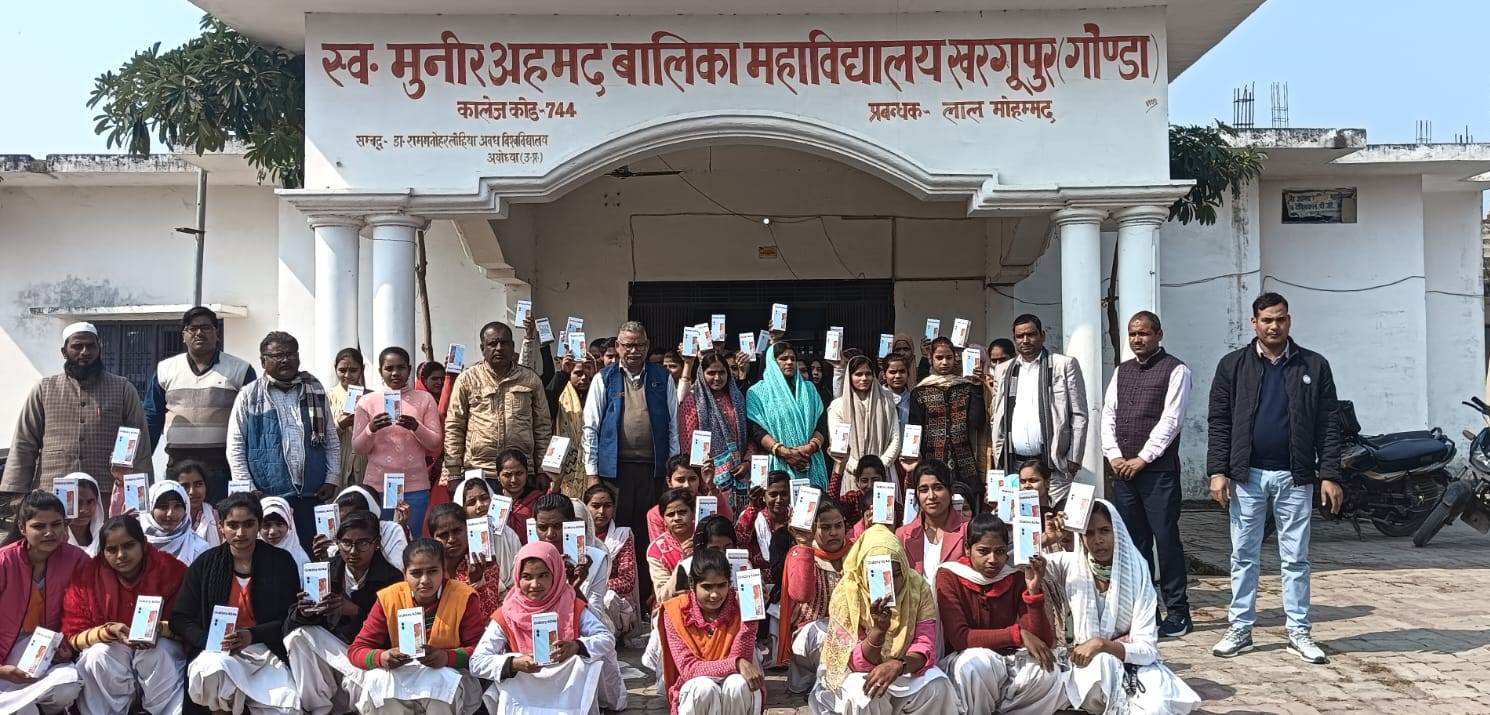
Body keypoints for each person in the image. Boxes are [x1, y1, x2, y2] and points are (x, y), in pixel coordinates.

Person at [1208, 292, 1343, 665]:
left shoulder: (1314, 365)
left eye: (1280, 319)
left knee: (1296, 558)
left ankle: (1298, 632)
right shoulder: (1233, 366)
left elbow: (1329, 423)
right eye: (1267, 320)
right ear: (1254, 323)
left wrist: (1329, 474)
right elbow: (1219, 421)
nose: (1274, 326)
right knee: (1243, 555)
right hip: (1247, 476)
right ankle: (1240, 628)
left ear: (1289, 321)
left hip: (1295, 477)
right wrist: (1218, 471)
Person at [1046, 500, 1200, 713]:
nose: (1098, 540)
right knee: (1101, 668)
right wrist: (1047, 539)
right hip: (1086, 665)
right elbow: (1011, 565)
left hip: (1132, 663)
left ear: (1117, 531)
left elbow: (1147, 650)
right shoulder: (1071, 564)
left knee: (1156, 706)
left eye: (1104, 531)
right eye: (1089, 533)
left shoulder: (1137, 571)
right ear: (1081, 537)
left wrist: (1101, 644)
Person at [1101, 311, 1195, 639]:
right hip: (1124, 472)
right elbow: (1108, 414)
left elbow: (1171, 421)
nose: (1137, 339)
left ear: (1158, 334)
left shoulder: (1176, 370)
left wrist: (1142, 458)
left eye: (1143, 333)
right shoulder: (1122, 371)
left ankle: (1178, 612)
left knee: (1165, 540)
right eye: (1132, 334)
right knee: (1133, 543)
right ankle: (1145, 610)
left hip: (1158, 473)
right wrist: (1114, 455)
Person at [2, 322, 152, 510]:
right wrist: (17, 492)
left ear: (99, 349)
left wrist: (138, 499)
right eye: (77, 346)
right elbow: (25, 442)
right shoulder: (44, 389)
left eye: (91, 346)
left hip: (105, 492)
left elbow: (139, 445)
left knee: (104, 530)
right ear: (64, 352)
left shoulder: (123, 388)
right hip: (53, 490)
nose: (84, 352)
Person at [174, 493, 301, 712]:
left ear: (258, 525)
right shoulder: (205, 564)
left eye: (248, 524)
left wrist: (252, 635)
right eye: (233, 525)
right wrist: (210, 640)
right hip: (217, 650)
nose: (241, 533)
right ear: (221, 527)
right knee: (212, 671)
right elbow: (180, 618)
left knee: (286, 703)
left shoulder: (281, 561)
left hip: (265, 649)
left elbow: (290, 618)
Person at [582, 321, 680, 604]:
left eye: (639, 345)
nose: (633, 351)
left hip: (652, 471)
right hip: (614, 472)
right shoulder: (604, 378)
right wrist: (592, 474)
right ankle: (615, 599)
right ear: (617, 347)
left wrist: (672, 469)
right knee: (616, 535)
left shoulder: (662, 377)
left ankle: (649, 598)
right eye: (627, 345)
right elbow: (590, 428)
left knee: (649, 533)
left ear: (647, 346)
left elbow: (673, 426)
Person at [818, 524, 956, 715]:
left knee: (937, 686)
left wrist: (898, 665)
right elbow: (854, 662)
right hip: (856, 672)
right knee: (865, 694)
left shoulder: (916, 587)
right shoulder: (847, 593)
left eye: (895, 575)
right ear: (863, 571)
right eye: (878, 576)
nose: (889, 585)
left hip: (904, 668)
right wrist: (878, 630)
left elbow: (925, 643)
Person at [934, 512, 1064, 715]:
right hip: (964, 663)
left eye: (1000, 551)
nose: (993, 560)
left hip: (1006, 660)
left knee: (1048, 671)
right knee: (977, 664)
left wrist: (1033, 591)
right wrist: (1017, 635)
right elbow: (960, 638)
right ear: (967, 549)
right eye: (983, 551)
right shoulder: (950, 575)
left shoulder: (1014, 575)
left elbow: (1042, 642)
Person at [470, 541, 616, 714]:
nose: (535, 584)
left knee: (583, 662)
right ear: (517, 577)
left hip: (568, 693)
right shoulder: (507, 613)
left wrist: (576, 646)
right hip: (524, 696)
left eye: (543, 575)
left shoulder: (571, 605)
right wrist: (514, 663)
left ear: (556, 574)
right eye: (527, 577)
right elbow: (477, 662)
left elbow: (606, 638)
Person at [62, 515, 189, 715]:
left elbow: (190, 624)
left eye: (129, 546)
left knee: (159, 651)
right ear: (103, 552)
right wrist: (107, 632)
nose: (121, 555)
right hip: (113, 652)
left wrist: (160, 629)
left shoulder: (170, 571)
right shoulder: (87, 577)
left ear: (143, 544)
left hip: (159, 649)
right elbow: (73, 637)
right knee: (97, 655)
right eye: (112, 550)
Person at [343, 539, 485, 715]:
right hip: (403, 674)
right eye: (416, 573)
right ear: (404, 574)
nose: (425, 580)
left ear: (444, 570)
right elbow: (356, 650)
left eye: (432, 571)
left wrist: (447, 657)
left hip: (448, 675)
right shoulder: (389, 598)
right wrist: (382, 657)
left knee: (439, 679)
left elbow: (480, 652)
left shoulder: (464, 597)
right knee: (379, 681)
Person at [227, 331, 341, 549]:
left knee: (315, 552)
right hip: (268, 497)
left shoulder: (314, 389)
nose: (285, 360)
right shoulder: (249, 395)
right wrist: (249, 489)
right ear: (263, 361)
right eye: (278, 356)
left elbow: (331, 439)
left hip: (312, 494)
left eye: (291, 354)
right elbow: (236, 446)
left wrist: (332, 477)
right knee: (273, 557)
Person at [285, 510, 403, 715]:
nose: (353, 551)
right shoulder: (326, 570)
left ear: (376, 543)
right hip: (333, 651)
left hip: (368, 654)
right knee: (298, 636)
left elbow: (394, 633)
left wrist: (355, 611)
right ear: (337, 542)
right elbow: (288, 624)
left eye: (362, 543)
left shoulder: (391, 578)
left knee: (362, 686)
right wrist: (305, 611)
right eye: (346, 543)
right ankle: (317, 709)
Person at [144, 306, 258, 504]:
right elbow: (152, 419)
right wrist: (141, 462)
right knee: (178, 517)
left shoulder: (240, 370)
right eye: (192, 328)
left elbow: (253, 424)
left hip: (222, 469)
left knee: (220, 519)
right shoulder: (166, 369)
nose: (199, 333)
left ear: (217, 333)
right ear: (184, 335)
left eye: (206, 328)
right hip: (178, 468)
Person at [531, 493, 626, 711]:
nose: (550, 534)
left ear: (571, 525)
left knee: (590, 657)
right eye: (542, 528)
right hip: (537, 632)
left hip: (582, 629)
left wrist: (575, 587)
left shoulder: (596, 558)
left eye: (558, 526)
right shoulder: (529, 558)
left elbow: (594, 613)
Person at [987, 314, 1089, 504]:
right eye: (1020, 336)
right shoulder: (1004, 369)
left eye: (1031, 334)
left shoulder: (1063, 365)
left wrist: (1073, 459)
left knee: (1055, 517)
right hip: (1015, 465)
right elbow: (997, 414)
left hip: (1053, 465)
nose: (1025, 340)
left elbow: (1079, 414)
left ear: (1042, 335)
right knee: (1020, 518)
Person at [0, 491, 86, 714]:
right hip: (6, 653)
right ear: (22, 528)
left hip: (49, 651)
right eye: (39, 526)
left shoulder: (76, 559)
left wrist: (68, 644)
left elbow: (85, 609)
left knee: (66, 688)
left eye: (56, 524)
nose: (49, 532)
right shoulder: (4, 562)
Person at [444, 321, 552, 490]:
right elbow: (454, 426)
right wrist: (453, 472)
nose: (499, 348)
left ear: (513, 346)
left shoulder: (530, 379)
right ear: (483, 348)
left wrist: (543, 469)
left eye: (504, 343)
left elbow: (542, 427)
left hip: (521, 472)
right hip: (480, 470)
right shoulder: (467, 379)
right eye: (493, 344)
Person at [658, 548, 764, 715]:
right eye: (707, 587)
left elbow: (742, 658)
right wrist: (736, 663)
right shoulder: (674, 612)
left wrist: (750, 619)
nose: (714, 595)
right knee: (703, 688)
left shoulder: (743, 603)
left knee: (738, 684)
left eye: (721, 585)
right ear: (692, 584)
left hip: (732, 682)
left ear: (729, 583)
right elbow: (689, 669)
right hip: (695, 687)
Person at [353, 347, 442, 538]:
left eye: (401, 367)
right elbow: (358, 448)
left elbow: (435, 443)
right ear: (380, 371)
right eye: (389, 368)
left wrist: (416, 426)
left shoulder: (424, 399)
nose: (395, 373)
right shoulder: (367, 402)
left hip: (414, 486)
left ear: (409, 369)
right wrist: (371, 429)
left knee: (411, 539)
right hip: (378, 486)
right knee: (381, 539)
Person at [779, 499, 851, 700]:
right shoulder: (800, 553)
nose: (834, 533)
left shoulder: (855, 551)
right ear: (813, 528)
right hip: (810, 631)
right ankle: (827, 691)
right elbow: (801, 595)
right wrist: (804, 545)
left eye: (838, 525)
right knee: (828, 638)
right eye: (825, 528)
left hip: (850, 628)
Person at [907, 338, 985, 498]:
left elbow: (977, 422)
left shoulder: (966, 387)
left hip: (964, 461)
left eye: (948, 357)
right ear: (930, 359)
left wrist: (977, 388)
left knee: (966, 503)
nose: (944, 362)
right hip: (932, 460)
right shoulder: (920, 391)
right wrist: (913, 461)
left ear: (955, 358)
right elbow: (914, 428)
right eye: (939, 357)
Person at [748, 342, 829, 493]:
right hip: (778, 462)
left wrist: (809, 448)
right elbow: (757, 429)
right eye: (783, 359)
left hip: (809, 460)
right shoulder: (757, 392)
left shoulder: (809, 389)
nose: (790, 362)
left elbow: (821, 424)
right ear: (772, 361)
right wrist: (784, 452)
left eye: (793, 358)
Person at [678, 350, 751, 514]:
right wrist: (702, 478)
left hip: (740, 476)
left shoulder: (738, 399)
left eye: (722, 372)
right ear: (701, 374)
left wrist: (747, 462)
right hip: (707, 478)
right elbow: (688, 445)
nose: (717, 378)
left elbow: (750, 436)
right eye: (711, 373)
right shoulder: (692, 401)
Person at [426, 502, 506, 621]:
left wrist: (477, 582)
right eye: (443, 535)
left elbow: (489, 616)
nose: (451, 539)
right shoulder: (427, 568)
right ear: (433, 538)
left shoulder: (486, 564)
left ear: (468, 530)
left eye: (457, 531)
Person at [829, 355, 902, 479]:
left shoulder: (887, 403)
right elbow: (838, 444)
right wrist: (859, 471)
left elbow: (896, 439)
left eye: (868, 374)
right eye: (858, 374)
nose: (864, 378)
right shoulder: (838, 406)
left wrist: (879, 467)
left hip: (883, 472)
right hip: (850, 472)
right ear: (849, 376)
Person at [451, 476, 523, 599]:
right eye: (471, 502)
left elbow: (521, 571)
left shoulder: (508, 534)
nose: (480, 505)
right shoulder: (459, 540)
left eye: (484, 498)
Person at [585, 483, 640, 645]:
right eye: (595, 506)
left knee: (607, 599)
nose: (602, 511)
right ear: (585, 507)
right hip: (581, 591)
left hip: (613, 598)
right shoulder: (576, 536)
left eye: (607, 506)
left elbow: (627, 580)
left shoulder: (621, 536)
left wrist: (595, 587)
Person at [896, 460, 968, 580]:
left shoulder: (967, 530)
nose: (931, 496)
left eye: (938, 488)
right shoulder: (903, 535)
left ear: (950, 491)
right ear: (917, 495)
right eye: (924, 490)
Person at [646, 457, 736, 541]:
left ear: (700, 480)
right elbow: (658, 546)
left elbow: (727, 520)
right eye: (680, 480)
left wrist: (711, 485)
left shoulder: (707, 504)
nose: (686, 485)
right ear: (669, 482)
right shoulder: (656, 513)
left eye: (692, 479)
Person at [324, 486, 409, 569]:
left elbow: (399, 571)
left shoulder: (391, 531)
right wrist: (323, 557)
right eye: (341, 521)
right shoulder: (335, 536)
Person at [549, 352, 596, 499]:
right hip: (565, 464)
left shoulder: (598, 394)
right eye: (578, 373)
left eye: (588, 372)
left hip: (592, 464)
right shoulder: (561, 394)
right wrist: (562, 373)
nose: (584, 378)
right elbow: (547, 400)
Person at [138, 480, 211, 566]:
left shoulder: (199, 548)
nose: (170, 514)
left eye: (177, 506)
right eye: (163, 507)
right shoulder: (135, 544)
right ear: (151, 509)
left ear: (186, 509)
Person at [734, 471, 791, 576]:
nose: (779, 500)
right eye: (773, 495)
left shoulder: (796, 519)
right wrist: (752, 508)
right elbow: (739, 541)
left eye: (784, 494)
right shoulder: (754, 517)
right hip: (759, 581)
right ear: (764, 496)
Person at [647, 488, 698, 604]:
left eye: (682, 512)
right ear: (663, 519)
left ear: (693, 513)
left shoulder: (707, 536)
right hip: (675, 605)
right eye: (670, 514)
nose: (677, 518)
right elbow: (662, 596)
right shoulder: (656, 550)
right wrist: (684, 563)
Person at [328, 348, 369, 488]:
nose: (347, 375)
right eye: (342, 370)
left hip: (365, 466)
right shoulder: (326, 397)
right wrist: (340, 425)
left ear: (362, 369)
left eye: (353, 370)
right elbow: (319, 437)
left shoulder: (372, 398)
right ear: (335, 369)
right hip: (336, 468)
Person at [827, 455, 889, 532]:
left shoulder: (890, 504)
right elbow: (830, 506)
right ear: (857, 482)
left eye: (875, 480)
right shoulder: (853, 499)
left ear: (884, 480)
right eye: (864, 481)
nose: (870, 486)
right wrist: (839, 468)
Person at [172, 461, 220, 547]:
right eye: (185, 486)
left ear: (206, 486)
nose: (192, 492)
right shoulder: (169, 519)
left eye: (198, 484)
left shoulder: (217, 517)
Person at [260, 496, 312, 570]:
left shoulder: (301, 560)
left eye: (279, 524)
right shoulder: (251, 559)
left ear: (289, 525)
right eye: (266, 525)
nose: (273, 532)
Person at [63, 473, 103, 557]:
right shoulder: (53, 538)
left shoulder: (105, 536)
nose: (83, 509)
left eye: (90, 502)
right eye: (77, 502)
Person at [880, 354, 913, 429]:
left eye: (902, 371)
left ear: (908, 374)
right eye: (893, 372)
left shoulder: (913, 400)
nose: (898, 376)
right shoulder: (876, 398)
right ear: (884, 375)